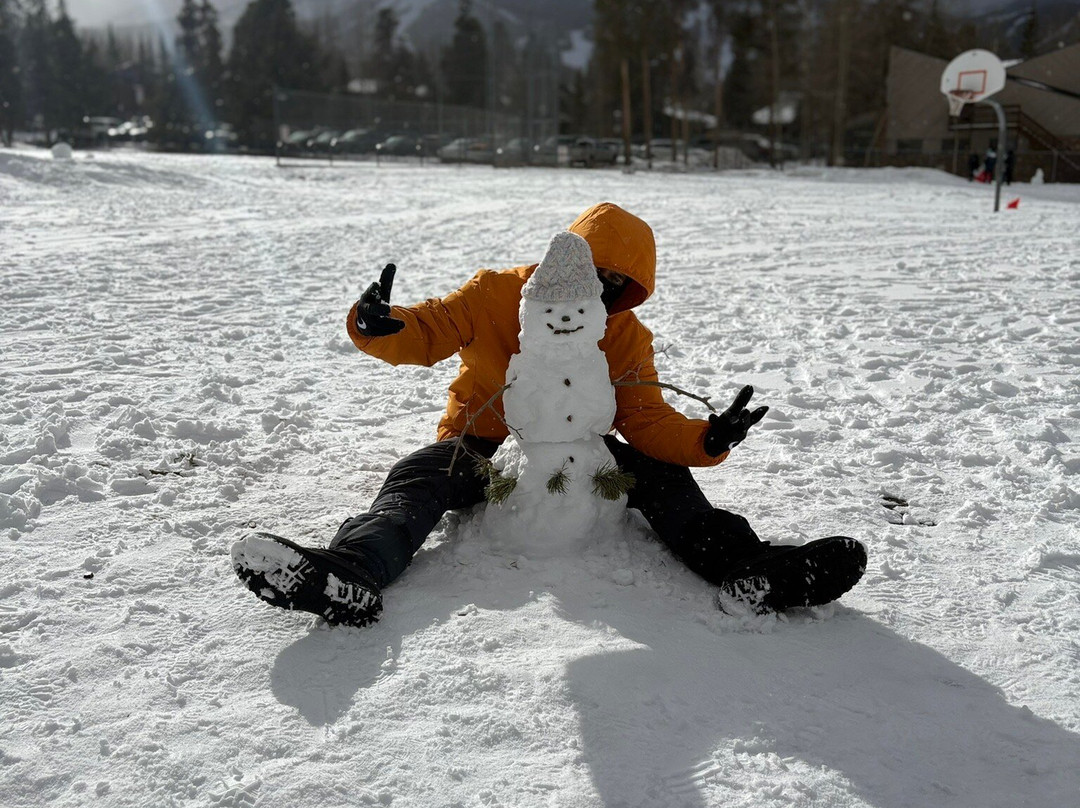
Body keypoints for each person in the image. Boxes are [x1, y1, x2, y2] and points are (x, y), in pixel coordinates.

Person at [231, 202, 867, 626]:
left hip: (582, 451)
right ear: (569, 258)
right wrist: (378, 327)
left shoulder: (623, 334)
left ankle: (749, 573)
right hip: (482, 444)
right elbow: (426, 331)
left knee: (668, 483)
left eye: (620, 286)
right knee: (416, 482)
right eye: (596, 273)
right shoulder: (494, 294)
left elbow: (644, 418)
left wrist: (706, 437)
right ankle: (351, 575)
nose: (604, 293)